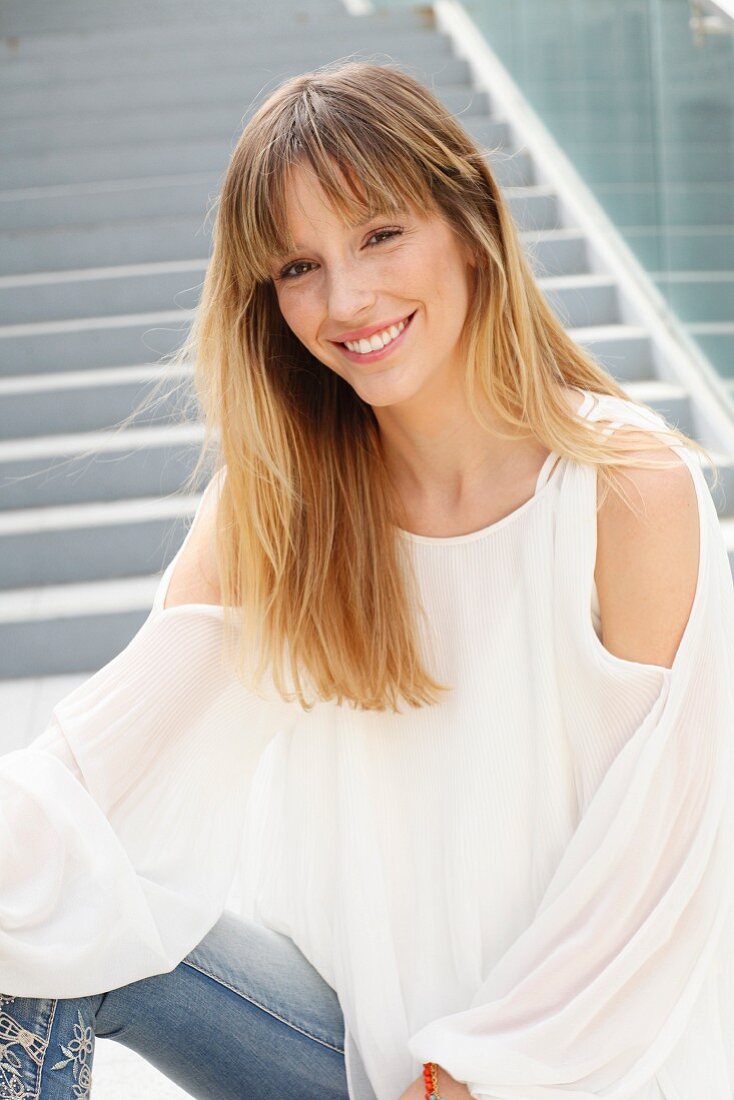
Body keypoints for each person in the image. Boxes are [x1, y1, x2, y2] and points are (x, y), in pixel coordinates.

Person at [2, 58, 734, 1100]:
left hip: (583, 1067)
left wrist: (471, 1077)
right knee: (34, 923)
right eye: (297, 266)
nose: (346, 299)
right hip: (347, 1057)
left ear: (468, 219)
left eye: (378, 234)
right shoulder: (281, 509)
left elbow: (655, 882)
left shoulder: (624, 495)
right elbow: (83, 775)